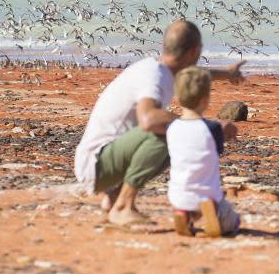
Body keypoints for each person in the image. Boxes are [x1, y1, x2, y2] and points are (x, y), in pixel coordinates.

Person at [73, 19, 245, 225]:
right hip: (97, 165)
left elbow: (193, 76)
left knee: (173, 128)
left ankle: (113, 198)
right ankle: (123, 206)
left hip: (99, 161)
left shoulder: (160, 70)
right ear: (194, 52)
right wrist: (205, 127)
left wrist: (228, 74)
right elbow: (148, 120)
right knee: (167, 131)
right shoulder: (154, 76)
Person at [167, 66, 240, 236]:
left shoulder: (172, 127)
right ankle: (213, 213)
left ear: (178, 97)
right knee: (233, 218)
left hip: (178, 195)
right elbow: (216, 151)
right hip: (207, 195)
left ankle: (183, 214)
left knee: (187, 197)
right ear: (205, 100)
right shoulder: (212, 128)